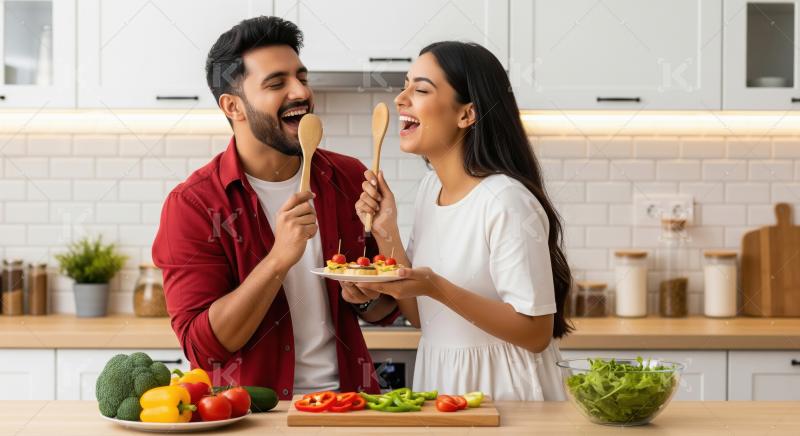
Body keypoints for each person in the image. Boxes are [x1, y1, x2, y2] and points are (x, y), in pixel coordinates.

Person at [152, 16, 398, 399]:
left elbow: (384, 309)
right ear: (233, 106)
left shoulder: (349, 178)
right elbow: (205, 348)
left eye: (302, 77)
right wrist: (278, 259)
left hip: (348, 404)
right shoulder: (195, 205)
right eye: (276, 83)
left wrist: (366, 295)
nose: (301, 92)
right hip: (252, 414)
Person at [344, 41, 572, 401]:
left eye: (420, 89)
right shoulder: (429, 189)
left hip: (505, 390)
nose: (401, 98)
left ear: (467, 114)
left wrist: (436, 286)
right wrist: (387, 229)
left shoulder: (506, 201)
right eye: (405, 85)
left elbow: (535, 333)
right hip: (442, 383)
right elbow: (423, 317)